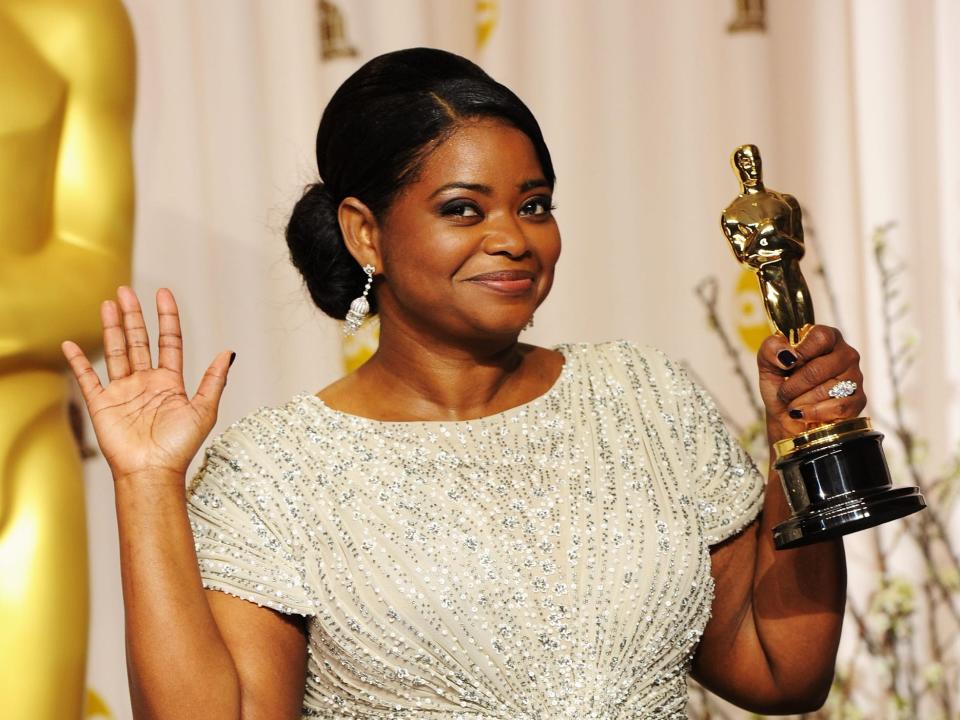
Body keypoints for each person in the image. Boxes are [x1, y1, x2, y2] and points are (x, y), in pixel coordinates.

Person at [63, 48, 863, 719]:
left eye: (534, 204)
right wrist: (146, 483)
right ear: (365, 232)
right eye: (463, 208)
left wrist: (804, 449)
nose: (512, 238)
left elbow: (780, 670)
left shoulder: (645, 396)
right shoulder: (276, 471)